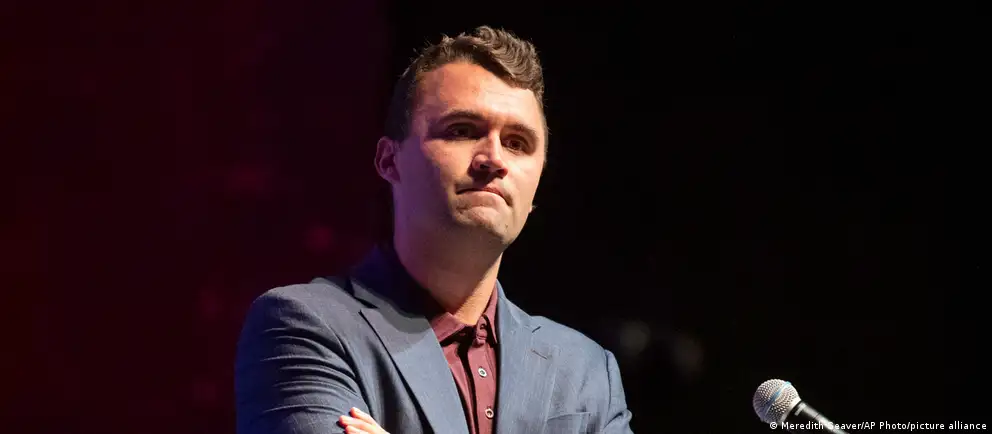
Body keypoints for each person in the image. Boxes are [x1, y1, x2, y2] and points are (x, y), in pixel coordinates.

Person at [234, 26, 635, 434]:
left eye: (517, 143)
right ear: (389, 160)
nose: (494, 159)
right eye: (462, 130)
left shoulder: (586, 371)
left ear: (536, 188)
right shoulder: (304, 325)